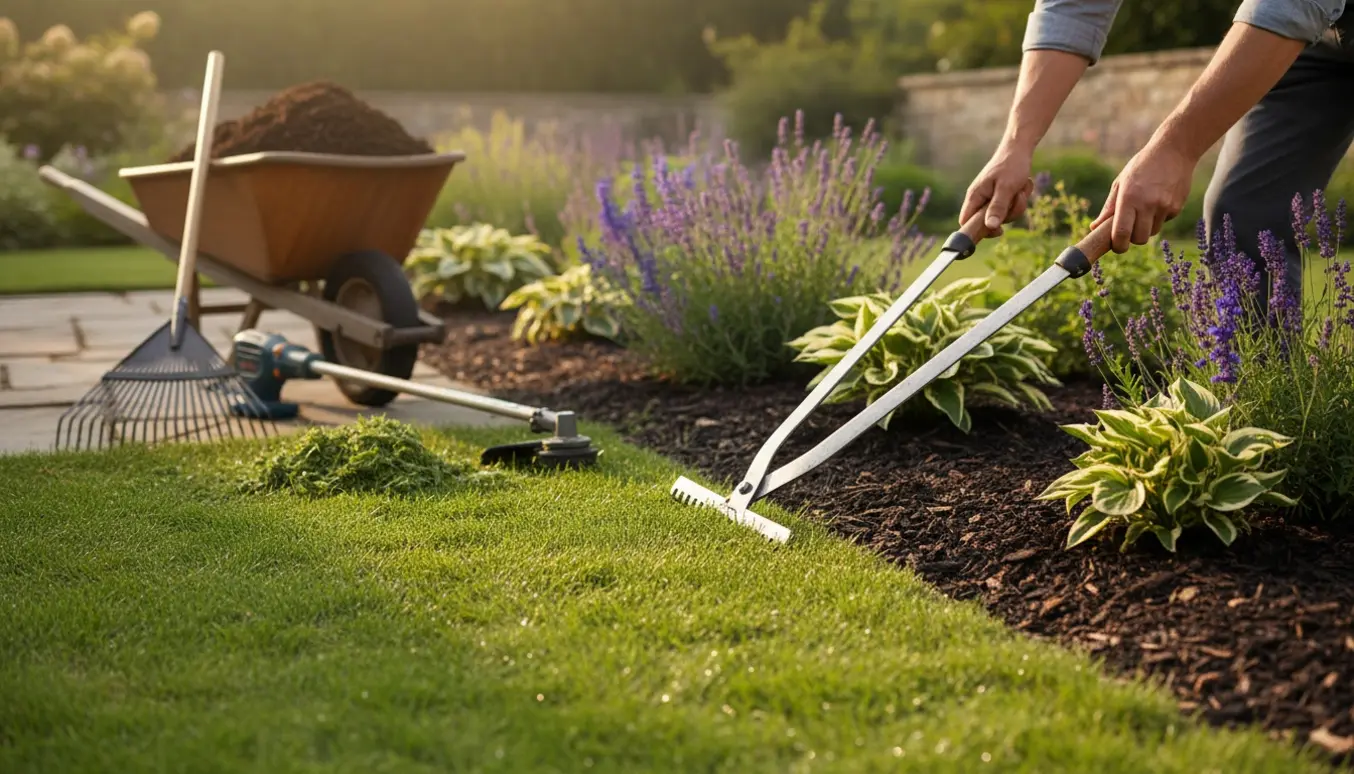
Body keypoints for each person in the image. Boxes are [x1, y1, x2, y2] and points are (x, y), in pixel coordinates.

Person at [960, 0, 1354, 302]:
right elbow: (1075, 6)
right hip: (1319, 32)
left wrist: (1175, 149)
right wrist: (1016, 145)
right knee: (1243, 217)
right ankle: (1266, 403)